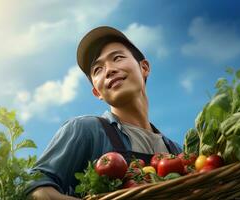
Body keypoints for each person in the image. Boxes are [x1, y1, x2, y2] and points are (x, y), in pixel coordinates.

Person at [26, 26, 182, 199]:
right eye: (97, 70)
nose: (109, 70)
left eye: (117, 58)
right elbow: (35, 189)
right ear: (97, 92)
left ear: (144, 67)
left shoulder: (176, 150)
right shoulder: (85, 130)